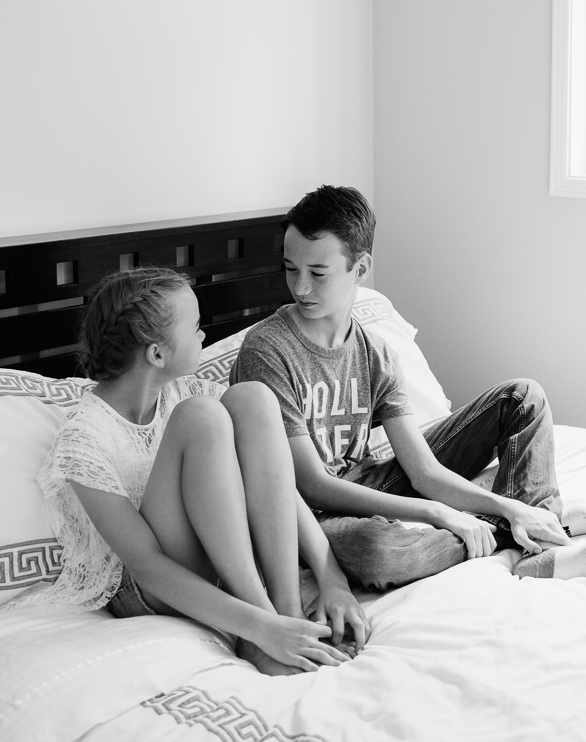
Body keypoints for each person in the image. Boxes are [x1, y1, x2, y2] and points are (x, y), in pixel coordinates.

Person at [230, 185, 586, 592]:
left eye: (317, 274)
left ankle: (531, 529)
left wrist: (498, 504)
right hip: (307, 515)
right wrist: (439, 513)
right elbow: (311, 485)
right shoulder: (267, 350)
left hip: (371, 482)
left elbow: (423, 471)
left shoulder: (375, 352)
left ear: (360, 268)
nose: (300, 288)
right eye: (290, 268)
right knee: (381, 550)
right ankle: (534, 525)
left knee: (522, 397)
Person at [31, 266, 368, 675]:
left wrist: (332, 576)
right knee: (201, 417)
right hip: (148, 586)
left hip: (214, 561)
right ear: (157, 354)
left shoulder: (183, 390)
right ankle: (262, 628)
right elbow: (147, 567)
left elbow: (275, 480)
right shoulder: (85, 437)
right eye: (195, 328)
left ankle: (288, 610)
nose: (204, 336)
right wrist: (261, 627)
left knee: (253, 398)